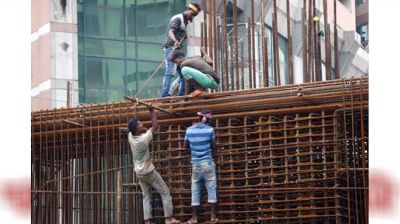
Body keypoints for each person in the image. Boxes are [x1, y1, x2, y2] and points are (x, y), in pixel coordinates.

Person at [128, 106, 180, 224]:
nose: (141, 125)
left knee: (146, 196)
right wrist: (152, 112)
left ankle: (147, 221)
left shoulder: (130, 137)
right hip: (148, 172)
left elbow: (136, 129)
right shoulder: (143, 140)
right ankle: (168, 218)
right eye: (139, 124)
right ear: (136, 128)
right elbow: (155, 127)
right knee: (165, 191)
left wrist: (139, 124)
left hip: (139, 173)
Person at [184, 109, 219, 224]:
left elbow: (185, 146)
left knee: (195, 189)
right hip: (207, 163)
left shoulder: (189, 130)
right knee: (211, 188)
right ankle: (213, 217)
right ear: (207, 120)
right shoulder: (210, 130)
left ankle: (194, 218)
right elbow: (213, 147)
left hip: (196, 163)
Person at [161, 3, 201, 97]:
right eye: (192, 14)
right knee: (170, 71)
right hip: (171, 48)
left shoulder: (185, 21)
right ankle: (165, 94)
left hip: (177, 51)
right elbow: (170, 31)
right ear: (189, 10)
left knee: (184, 73)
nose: (192, 17)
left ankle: (181, 94)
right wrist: (175, 41)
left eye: (194, 16)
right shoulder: (178, 18)